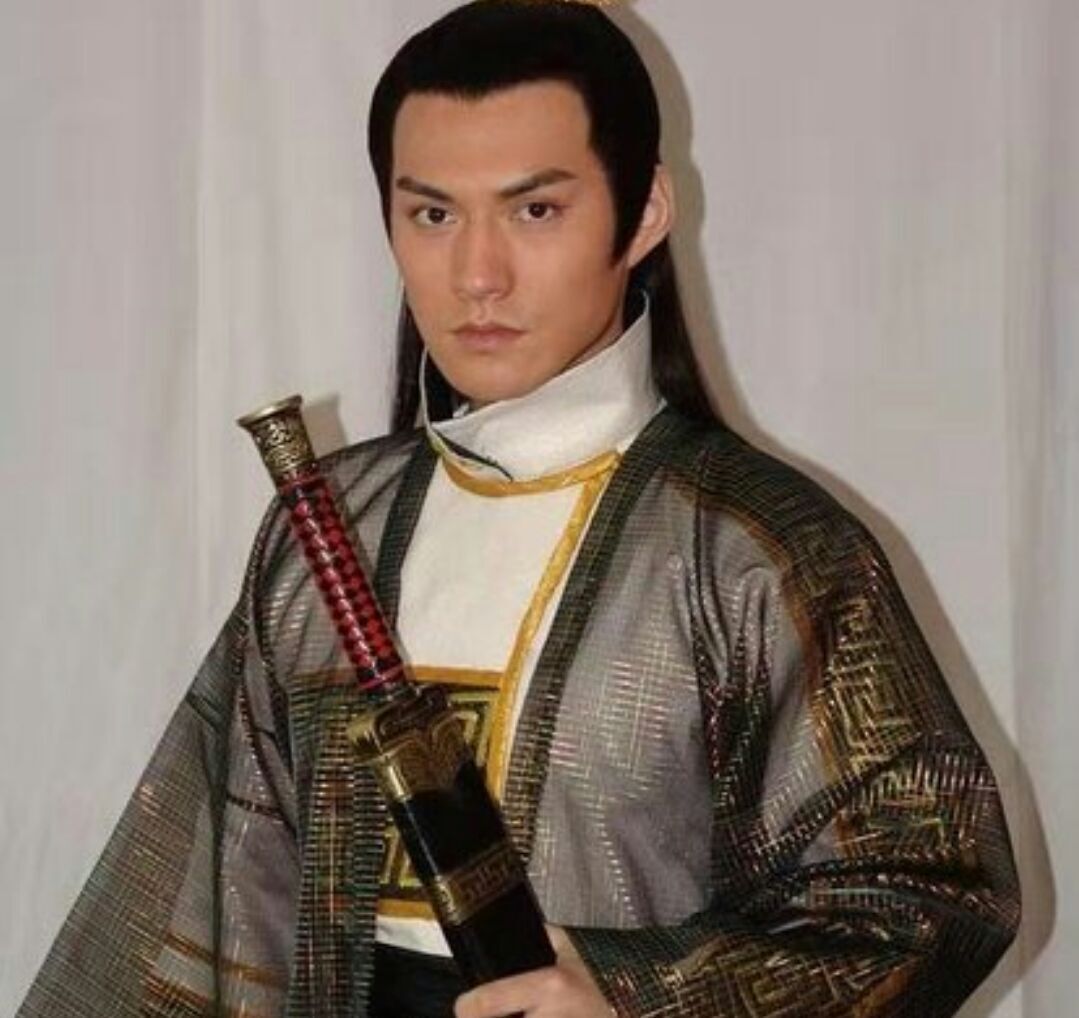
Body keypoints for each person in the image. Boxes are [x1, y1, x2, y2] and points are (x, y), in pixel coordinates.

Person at [18, 2, 1019, 1017]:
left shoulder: (753, 550)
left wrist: (640, 993)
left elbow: (931, 893)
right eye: (432, 215)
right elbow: (225, 895)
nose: (476, 275)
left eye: (534, 210)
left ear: (643, 212)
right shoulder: (329, 532)